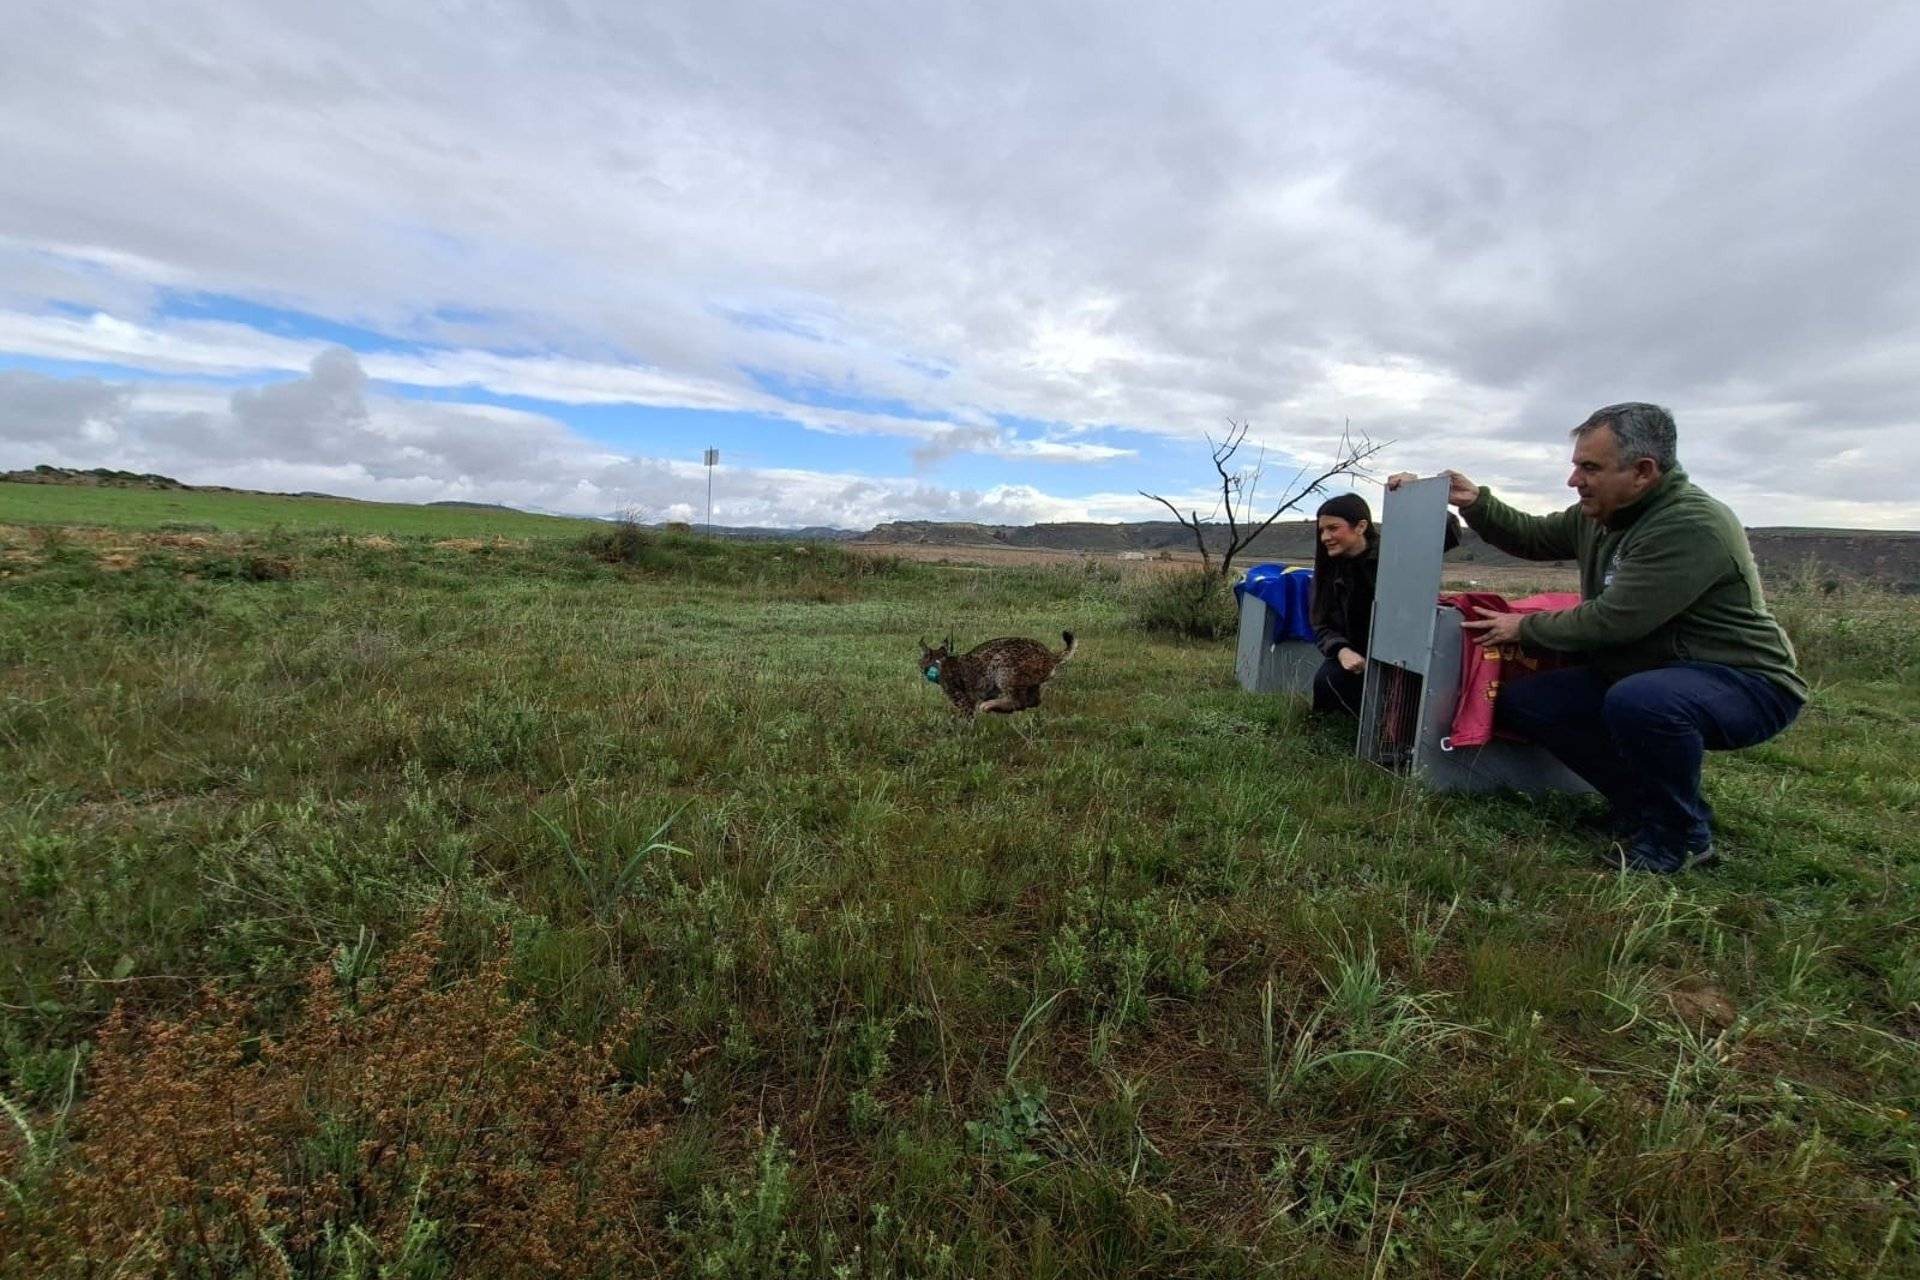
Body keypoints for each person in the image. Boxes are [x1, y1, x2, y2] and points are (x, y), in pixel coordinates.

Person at [1388, 402, 1805, 873]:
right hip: (1654, 673)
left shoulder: (1690, 525)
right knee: (1530, 702)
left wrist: (1522, 627)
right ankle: (1640, 807)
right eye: (1576, 466)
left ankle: (1681, 837)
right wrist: (1477, 502)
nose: (1574, 481)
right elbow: (1533, 537)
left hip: (1743, 681)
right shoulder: (1602, 513)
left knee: (1643, 702)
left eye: (1589, 468)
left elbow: (1614, 620)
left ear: (1643, 471)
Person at [1307, 492, 1458, 715]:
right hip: (1357, 654)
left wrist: (1413, 494)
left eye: (1333, 528)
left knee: (1406, 708)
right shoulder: (1329, 570)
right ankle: (1338, 734)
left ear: (1360, 526)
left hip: (1404, 653)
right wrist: (1341, 650)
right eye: (1322, 530)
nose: (1324, 537)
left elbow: (1447, 530)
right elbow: (1321, 623)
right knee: (1327, 681)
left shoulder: (1396, 552)